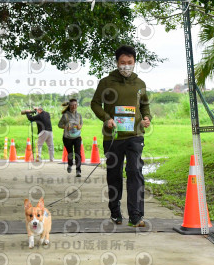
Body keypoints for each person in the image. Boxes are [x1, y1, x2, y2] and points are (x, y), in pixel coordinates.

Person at [91, 45, 151, 227]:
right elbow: (95, 104)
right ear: (117, 63)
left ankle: (136, 216)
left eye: (129, 63)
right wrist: (106, 118)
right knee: (114, 175)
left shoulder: (140, 84)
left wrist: (147, 118)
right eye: (122, 63)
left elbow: (144, 106)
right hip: (113, 137)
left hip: (135, 136)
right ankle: (115, 213)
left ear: (134, 63)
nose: (126, 66)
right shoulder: (106, 82)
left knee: (134, 172)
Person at [58, 99, 83, 177]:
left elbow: (81, 124)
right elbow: (59, 125)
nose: (74, 106)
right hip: (67, 138)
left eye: (75, 105)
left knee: (78, 153)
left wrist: (80, 127)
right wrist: (65, 127)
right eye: (72, 105)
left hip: (77, 137)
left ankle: (78, 171)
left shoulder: (79, 115)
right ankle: (70, 164)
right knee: (70, 153)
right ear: (69, 106)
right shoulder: (65, 115)